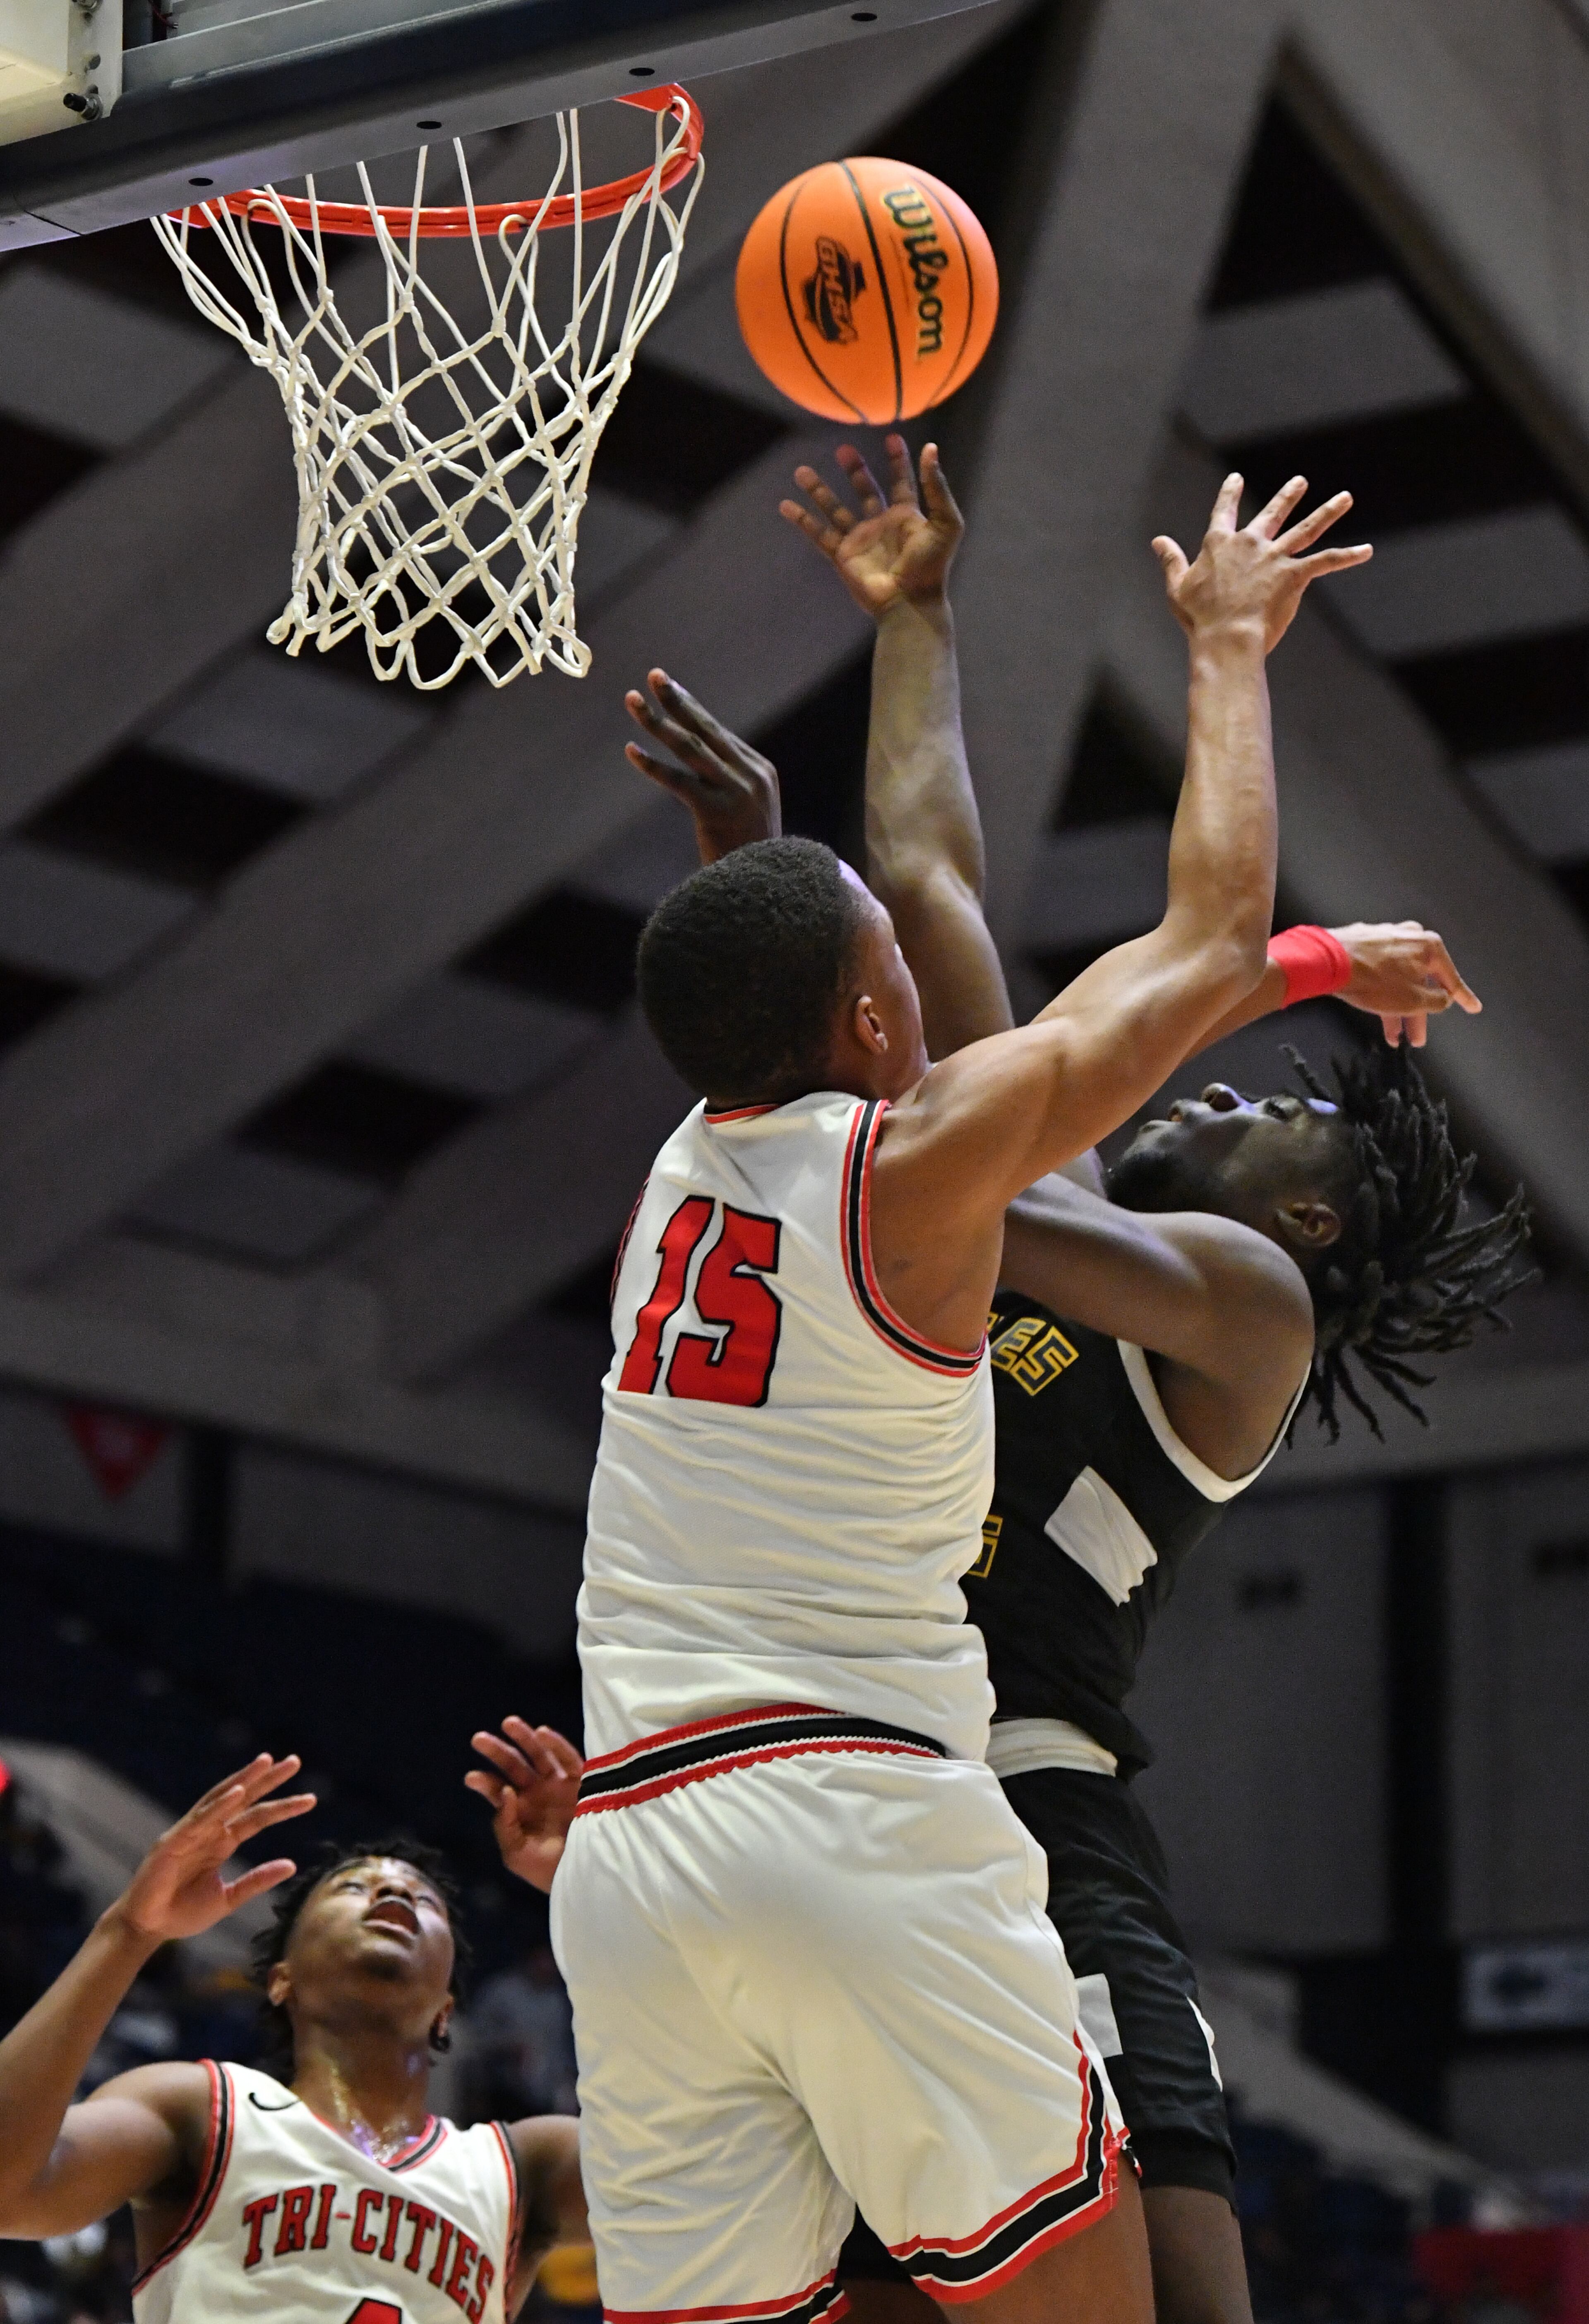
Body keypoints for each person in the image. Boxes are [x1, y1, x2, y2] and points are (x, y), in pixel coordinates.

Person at [516, 435, 1526, 2324]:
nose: (1240, 1105)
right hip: (863, 1802)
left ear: (1305, 1235)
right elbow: (925, 881)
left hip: (998, 1809)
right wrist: (925, 628)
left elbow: (901, 1027)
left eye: (1278, 1131)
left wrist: (1267, 957)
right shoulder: (950, 1161)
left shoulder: (1237, 1307)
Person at [0, 1753, 586, 2323]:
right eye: (353, 1889)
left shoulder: (526, 2167)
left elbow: (679, 2173)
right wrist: (129, 1929)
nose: (394, 1895)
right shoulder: (202, 2112)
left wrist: (604, 1899)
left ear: (446, 2010)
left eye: (424, 1900)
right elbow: (9, 2193)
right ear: (283, 1980)